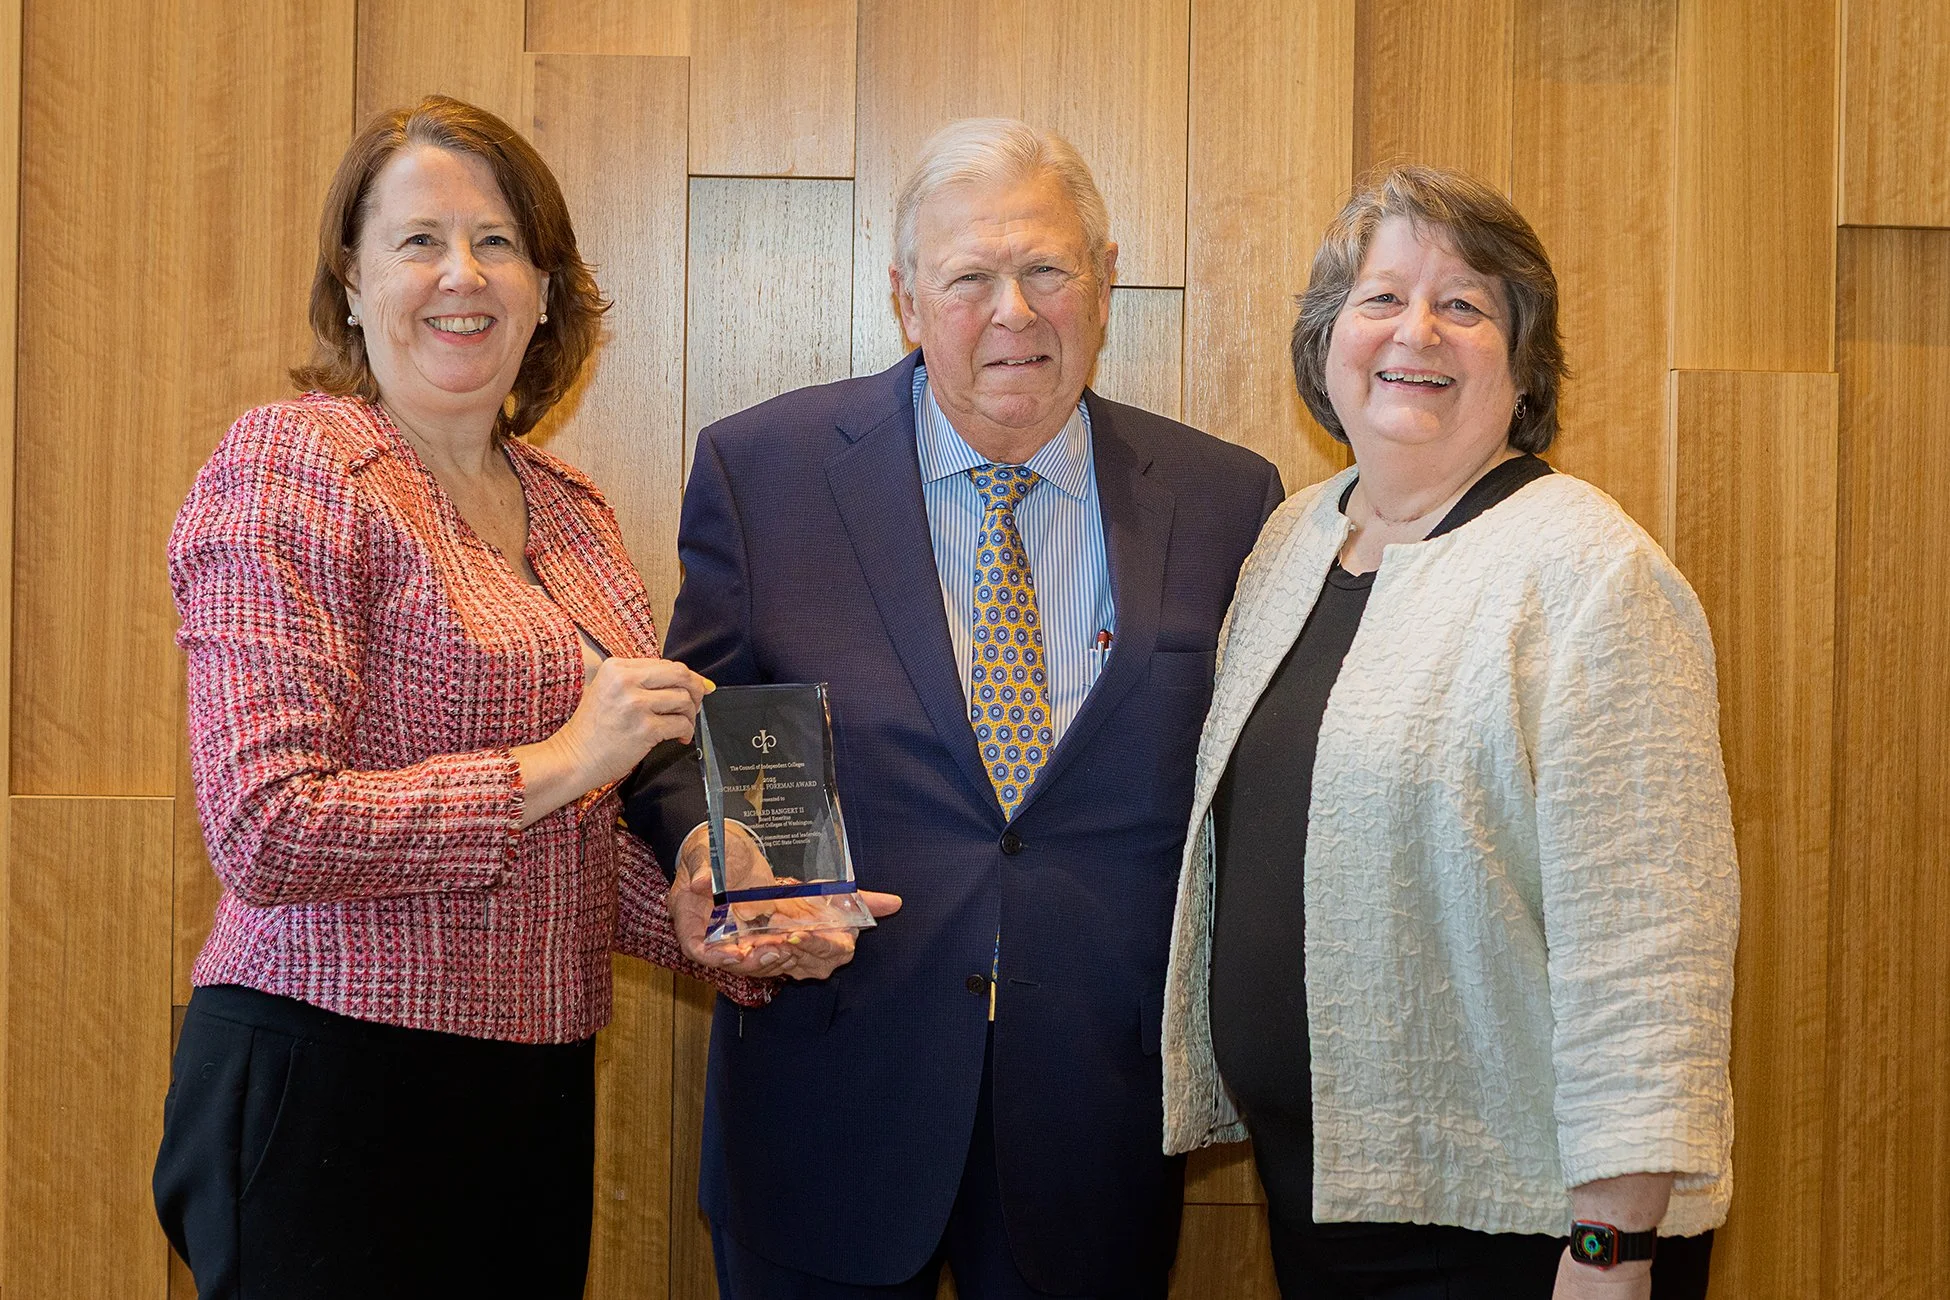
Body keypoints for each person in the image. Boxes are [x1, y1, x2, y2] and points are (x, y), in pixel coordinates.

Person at [625, 117, 1285, 1298]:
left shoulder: (1227, 500)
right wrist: (698, 841)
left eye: (1047, 269)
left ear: (1107, 277)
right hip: (827, 1090)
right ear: (905, 299)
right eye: (970, 277)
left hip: (1095, 1114)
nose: (1015, 313)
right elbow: (686, 729)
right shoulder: (764, 472)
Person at [151, 95, 762, 1300]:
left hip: (531, 1084)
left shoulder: (573, 507)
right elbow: (265, 824)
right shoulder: (296, 463)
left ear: (545, 288)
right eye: (418, 240)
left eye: (497, 242)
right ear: (352, 280)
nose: (461, 275)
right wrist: (562, 760)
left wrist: (694, 919)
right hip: (331, 1076)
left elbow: (569, 838)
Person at [1160, 164, 1739, 1300]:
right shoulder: (1292, 543)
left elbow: (1651, 949)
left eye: (1464, 305)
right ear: (1328, 340)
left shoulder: (1589, 574)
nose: (1415, 332)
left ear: (1523, 365)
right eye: (1380, 299)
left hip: (1523, 1230)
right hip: (1329, 1193)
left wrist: (1611, 1253)